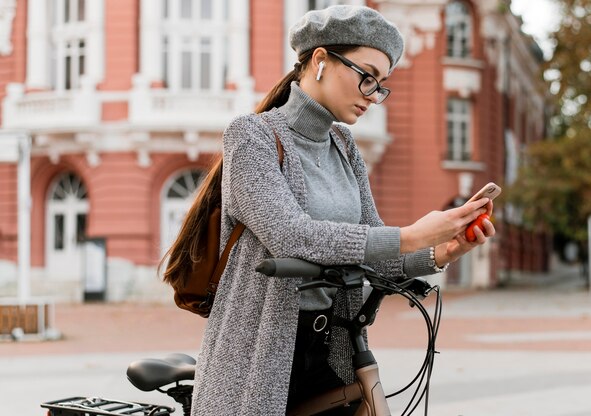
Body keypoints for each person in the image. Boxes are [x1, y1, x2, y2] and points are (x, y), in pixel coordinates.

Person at [188, 5, 495, 415]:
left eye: (381, 84)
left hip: (333, 347)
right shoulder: (252, 136)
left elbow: (371, 251)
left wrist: (442, 251)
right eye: (366, 76)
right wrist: (413, 235)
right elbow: (291, 236)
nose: (373, 95)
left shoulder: (345, 147)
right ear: (319, 60)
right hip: (259, 351)